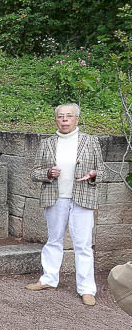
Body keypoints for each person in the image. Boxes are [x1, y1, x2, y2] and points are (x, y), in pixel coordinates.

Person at [26, 103, 104, 306]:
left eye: (69, 116)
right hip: (56, 197)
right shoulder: (47, 143)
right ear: (55, 120)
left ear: (77, 119)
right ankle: (49, 280)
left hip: (83, 197)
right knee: (53, 240)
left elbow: (102, 171)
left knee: (83, 244)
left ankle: (87, 289)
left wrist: (93, 175)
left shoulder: (90, 141)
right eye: (60, 116)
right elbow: (35, 172)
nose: (65, 120)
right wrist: (47, 173)